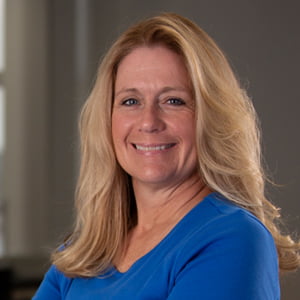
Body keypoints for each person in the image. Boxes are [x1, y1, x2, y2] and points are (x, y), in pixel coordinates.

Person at [33, 13, 300, 299]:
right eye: (130, 101)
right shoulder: (83, 251)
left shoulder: (233, 239)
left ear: (210, 118)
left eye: (174, 101)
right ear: (107, 119)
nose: (149, 122)